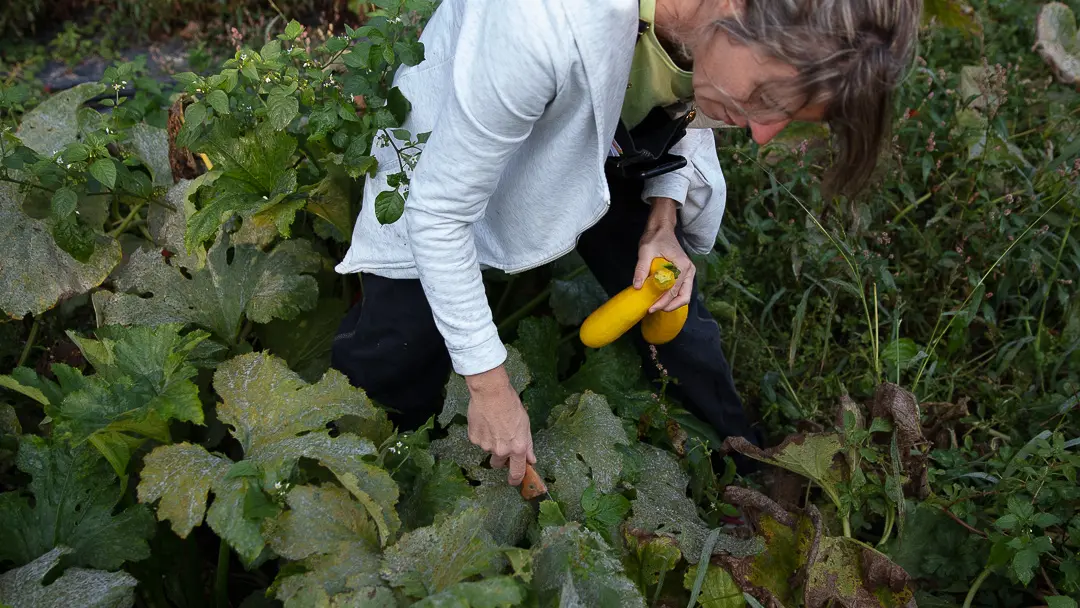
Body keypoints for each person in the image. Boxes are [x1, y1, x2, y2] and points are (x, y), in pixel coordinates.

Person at [331, 0, 921, 486]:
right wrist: (488, 385)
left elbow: (677, 113)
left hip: (608, 139)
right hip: (451, 153)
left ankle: (751, 466)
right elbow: (437, 214)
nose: (765, 134)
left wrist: (661, 223)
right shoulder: (541, 21)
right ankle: (344, 477)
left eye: (787, 114)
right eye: (768, 98)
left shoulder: (713, 31)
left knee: (679, 322)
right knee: (396, 356)